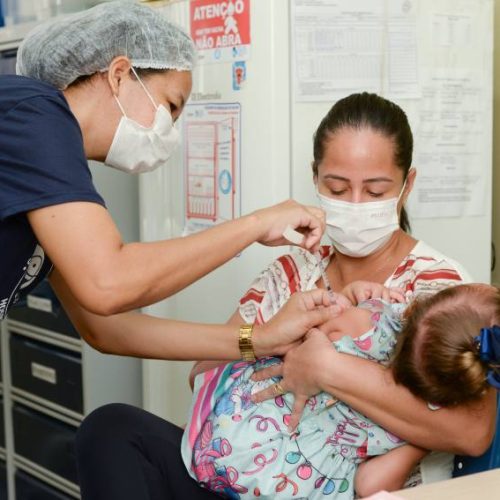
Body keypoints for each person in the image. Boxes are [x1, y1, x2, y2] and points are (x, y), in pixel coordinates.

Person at [75, 92, 496, 498]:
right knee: (112, 431)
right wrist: (272, 339)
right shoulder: (294, 271)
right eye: (336, 187)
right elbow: (202, 374)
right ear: (315, 178)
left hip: (342, 491)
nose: (354, 203)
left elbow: (473, 432)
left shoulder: (440, 289)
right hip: (255, 473)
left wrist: (324, 368)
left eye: (374, 191)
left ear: (407, 185)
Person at [0, 2, 336, 499]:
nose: (170, 132)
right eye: (171, 106)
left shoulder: (47, 170)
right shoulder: (33, 112)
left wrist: (258, 339)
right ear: (119, 74)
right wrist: (255, 224)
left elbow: (107, 327)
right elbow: (109, 281)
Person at [182, 282, 500, 499]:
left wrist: (346, 298)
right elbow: (370, 484)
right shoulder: (408, 433)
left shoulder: (369, 321)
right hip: (276, 484)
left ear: (416, 308)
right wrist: (422, 441)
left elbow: (316, 329)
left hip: (224, 427)